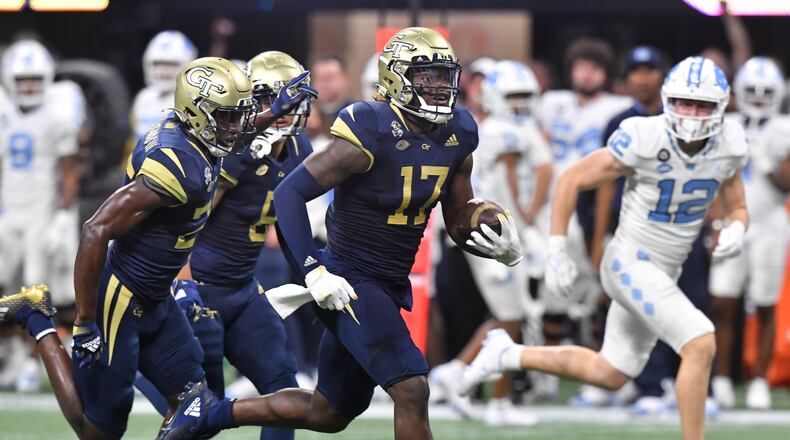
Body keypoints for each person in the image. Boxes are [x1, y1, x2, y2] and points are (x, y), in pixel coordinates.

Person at [157, 27, 523, 440]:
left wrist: (493, 239)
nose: (440, 87)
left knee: (329, 412)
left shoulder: (459, 132)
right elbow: (289, 193)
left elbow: (459, 216)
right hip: (348, 280)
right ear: (396, 78)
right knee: (412, 387)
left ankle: (206, 413)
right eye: (427, 76)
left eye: (444, 76)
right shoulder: (371, 126)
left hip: (387, 282)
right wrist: (313, 270)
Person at [0, 56, 313, 439]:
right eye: (227, 117)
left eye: (239, 115)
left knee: (196, 405)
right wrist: (84, 322)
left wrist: (270, 114)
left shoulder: (200, 133)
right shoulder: (175, 164)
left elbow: (234, 129)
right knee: (97, 430)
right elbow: (96, 229)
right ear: (200, 114)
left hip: (155, 294)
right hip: (120, 295)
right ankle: (36, 318)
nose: (237, 127)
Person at [461, 57, 748, 440]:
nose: (692, 114)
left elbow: (738, 206)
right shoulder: (645, 136)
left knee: (610, 372)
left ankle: (507, 353)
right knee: (700, 341)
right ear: (668, 101)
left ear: (721, 107)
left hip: (666, 269)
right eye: (684, 103)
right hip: (630, 260)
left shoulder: (729, 143)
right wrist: (558, 247)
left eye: (703, 106)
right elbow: (571, 180)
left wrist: (736, 228)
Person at [174, 50, 315, 440]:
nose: (279, 109)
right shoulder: (238, 151)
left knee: (284, 388)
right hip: (200, 290)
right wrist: (183, 282)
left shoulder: (302, 151)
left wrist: (314, 270)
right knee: (202, 409)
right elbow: (190, 219)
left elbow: (290, 222)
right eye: (267, 98)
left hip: (242, 290)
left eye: (287, 98)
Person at [429, 60, 552, 426]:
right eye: (511, 96)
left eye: (523, 96)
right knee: (511, 319)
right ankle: (489, 397)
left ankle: (457, 374)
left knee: (506, 318)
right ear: (495, 97)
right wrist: (526, 222)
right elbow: (514, 182)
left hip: (492, 230)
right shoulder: (503, 132)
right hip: (495, 233)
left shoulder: (503, 127)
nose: (518, 103)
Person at [535, 37, 632, 403]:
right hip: (553, 207)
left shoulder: (618, 107)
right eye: (579, 66)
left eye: (593, 67)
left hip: (595, 205)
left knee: (600, 291)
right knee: (552, 290)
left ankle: (606, 371)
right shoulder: (552, 102)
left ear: (605, 73)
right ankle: (546, 371)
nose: (585, 73)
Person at [0, 39, 85, 391]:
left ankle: (32, 364)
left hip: (40, 215)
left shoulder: (59, 113)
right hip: (8, 213)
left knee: (35, 294)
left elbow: (69, 171)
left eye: (35, 79)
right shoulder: (3, 112)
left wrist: (63, 216)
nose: (30, 86)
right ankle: (12, 355)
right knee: (5, 289)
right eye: (23, 80)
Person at [710, 56, 790, 410]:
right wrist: (714, 223)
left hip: (769, 222)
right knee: (722, 301)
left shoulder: (784, 127)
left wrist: (762, 158)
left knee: (765, 303)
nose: (758, 97)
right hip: (730, 222)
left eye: (765, 91)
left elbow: (786, 183)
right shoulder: (724, 123)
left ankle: (759, 380)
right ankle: (723, 378)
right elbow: (710, 178)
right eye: (752, 90)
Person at [131, 30, 197, 142]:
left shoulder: (194, 100)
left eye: (170, 65)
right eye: (158, 64)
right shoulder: (144, 98)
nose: (163, 72)